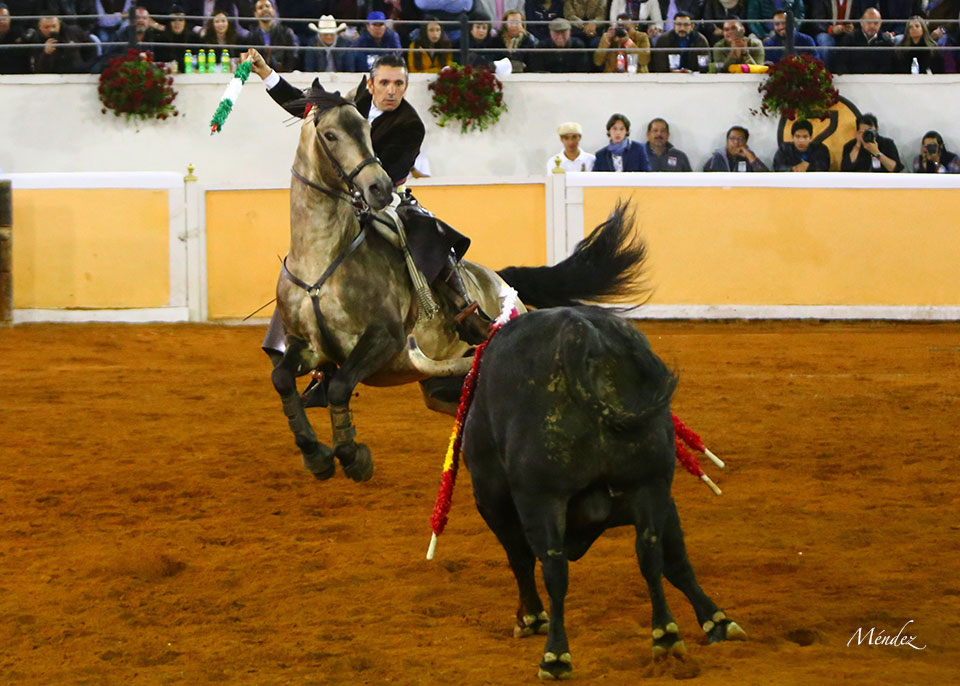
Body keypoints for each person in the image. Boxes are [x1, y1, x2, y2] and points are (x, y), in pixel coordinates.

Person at [245, 50, 491, 344]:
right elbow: (306, 106)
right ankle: (289, 331)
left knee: (428, 231)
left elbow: (391, 173)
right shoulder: (354, 101)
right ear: (370, 85)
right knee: (307, 254)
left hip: (387, 198)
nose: (392, 90)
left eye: (399, 84)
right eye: (385, 82)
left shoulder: (410, 124)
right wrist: (265, 73)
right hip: (344, 197)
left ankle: (462, 307)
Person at [28, 13, 96, 73]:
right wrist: (46, 54)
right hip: (51, 78)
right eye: (46, 27)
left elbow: (91, 48)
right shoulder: (35, 40)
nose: (51, 30)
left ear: (59, 25)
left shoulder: (73, 31)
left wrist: (84, 66)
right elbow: (38, 70)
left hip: (76, 74)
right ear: (40, 27)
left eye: (54, 26)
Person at [835, 7, 895, 73]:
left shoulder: (886, 42)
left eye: (876, 23)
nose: (872, 26)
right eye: (868, 22)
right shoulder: (849, 39)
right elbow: (840, 64)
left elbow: (889, 67)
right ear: (861, 22)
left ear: (880, 24)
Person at [246, 0, 299, 73]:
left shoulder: (286, 33)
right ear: (255, 14)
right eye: (260, 8)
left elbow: (292, 57)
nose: (265, 9)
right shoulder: (251, 36)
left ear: (273, 11)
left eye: (267, 6)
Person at [807, 0, 860, 68]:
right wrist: (831, 29)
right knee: (824, 40)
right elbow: (817, 21)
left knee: (855, 39)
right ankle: (826, 73)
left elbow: (860, 19)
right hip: (826, 32)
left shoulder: (855, 1)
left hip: (848, 33)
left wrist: (853, 27)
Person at [153, 5, 200, 71]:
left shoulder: (193, 38)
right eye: (173, 20)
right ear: (169, 22)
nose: (177, 23)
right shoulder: (161, 39)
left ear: (185, 22)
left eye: (180, 20)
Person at [703, 125, 769, 171]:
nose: (736, 142)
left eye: (740, 139)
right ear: (727, 141)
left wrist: (750, 157)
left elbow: (766, 177)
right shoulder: (717, 157)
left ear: (746, 142)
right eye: (732, 138)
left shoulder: (749, 156)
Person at [0, 3, 31, 74]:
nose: (1, 21)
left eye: (4, 17)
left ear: (10, 19)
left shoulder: (18, 33)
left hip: (17, 75)